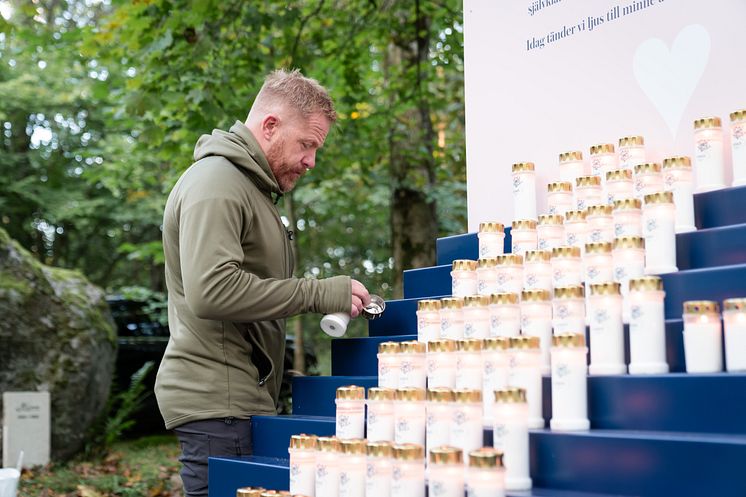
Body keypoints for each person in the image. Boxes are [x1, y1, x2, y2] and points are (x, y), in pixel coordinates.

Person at [154, 68, 371, 496]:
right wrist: (320, 291)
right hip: (219, 406)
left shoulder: (250, 189)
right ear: (270, 126)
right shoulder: (217, 182)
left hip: (239, 402)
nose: (311, 160)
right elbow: (212, 291)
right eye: (306, 144)